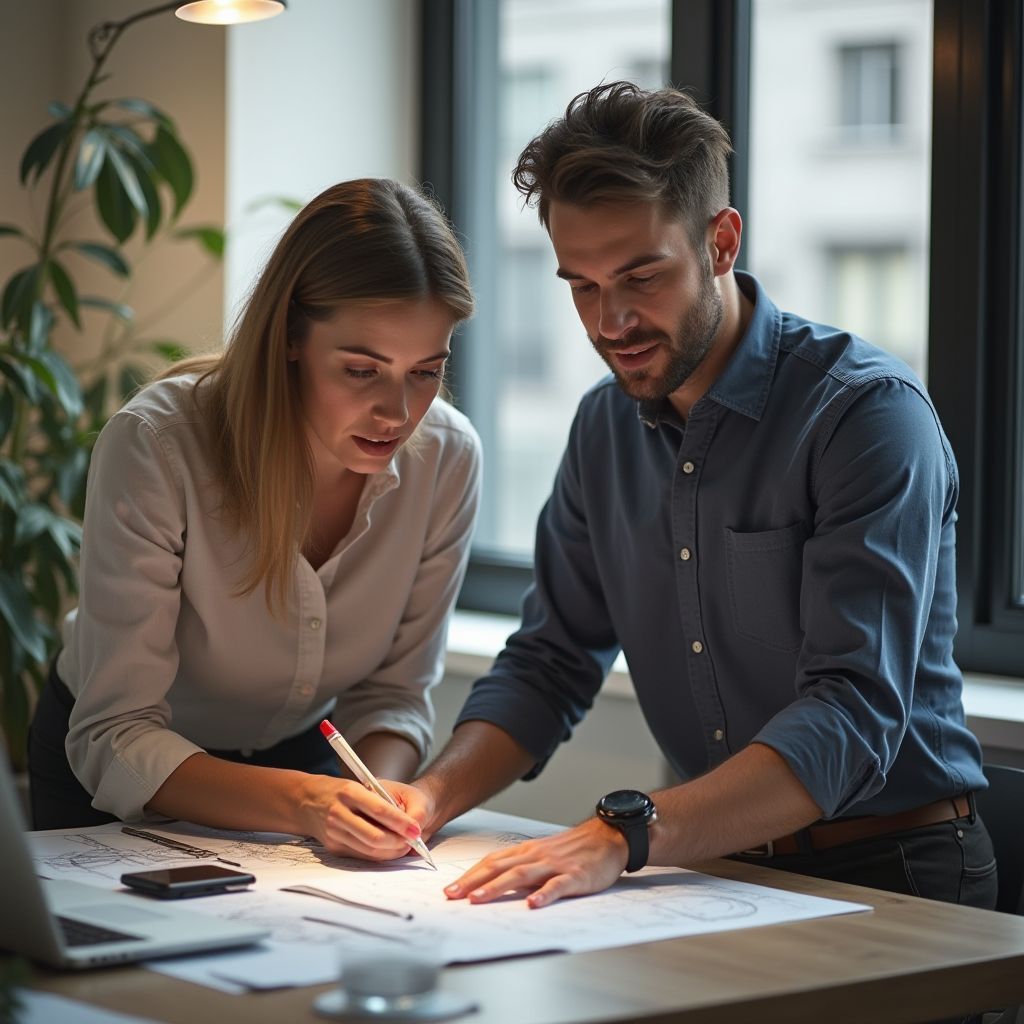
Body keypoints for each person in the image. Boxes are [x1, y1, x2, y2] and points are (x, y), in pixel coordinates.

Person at [376, 82, 997, 916]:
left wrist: (625, 834)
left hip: (895, 871)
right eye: (583, 286)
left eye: (641, 275)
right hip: (717, 870)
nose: (613, 320)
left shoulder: (864, 416)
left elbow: (850, 717)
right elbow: (551, 661)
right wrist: (431, 798)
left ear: (721, 241)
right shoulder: (604, 427)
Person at [28, 178, 481, 864]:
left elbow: (392, 695)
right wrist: (307, 803)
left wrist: (382, 797)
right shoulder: (158, 444)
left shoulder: (446, 459)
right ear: (291, 337)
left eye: (424, 371)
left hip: (304, 772)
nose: (397, 413)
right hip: (119, 772)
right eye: (362, 370)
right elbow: (115, 732)